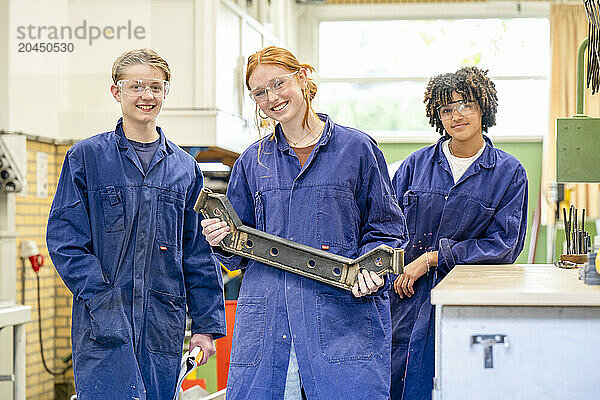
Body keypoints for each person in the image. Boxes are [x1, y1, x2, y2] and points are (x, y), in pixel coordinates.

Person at [201, 46, 408, 400]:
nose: (272, 98)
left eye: (278, 83)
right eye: (259, 93)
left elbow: (387, 229)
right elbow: (235, 253)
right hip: (269, 322)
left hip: (341, 320)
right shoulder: (254, 161)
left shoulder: (357, 149)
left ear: (302, 78)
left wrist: (371, 268)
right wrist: (219, 238)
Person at [46, 48, 226, 400]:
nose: (147, 96)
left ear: (165, 92)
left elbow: (197, 253)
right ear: (117, 92)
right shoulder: (86, 157)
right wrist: (101, 298)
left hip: (163, 323)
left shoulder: (184, 169)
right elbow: (65, 241)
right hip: (102, 322)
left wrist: (206, 327)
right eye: (136, 86)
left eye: (156, 87)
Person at [389, 66, 528, 400]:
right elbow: (387, 225)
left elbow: (504, 246)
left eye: (465, 104)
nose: (457, 115)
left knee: (457, 382)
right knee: (396, 379)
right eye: (446, 109)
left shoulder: (509, 173)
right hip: (406, 296)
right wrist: (392, 267)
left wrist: (435, 257)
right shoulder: (414, 166)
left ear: (483, 107)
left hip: (463, 298)